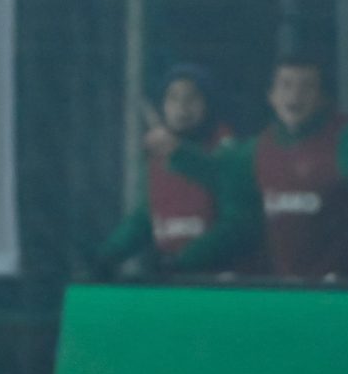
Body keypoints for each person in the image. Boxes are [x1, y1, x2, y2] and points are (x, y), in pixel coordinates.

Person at [171, 54, 348, 279]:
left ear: (323, 99)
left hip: (346, 289)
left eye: (307, 87)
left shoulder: (347, 140)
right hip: (281, 288)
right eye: (286, 85)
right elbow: (221, 175)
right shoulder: (257, 149)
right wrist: (176, 152)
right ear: (271, 96)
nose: (295, 95)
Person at [92, 64, 261, 279]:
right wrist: (108, 255)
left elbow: (238, 227)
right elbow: (146, 217)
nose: (182, 107)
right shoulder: (157, 158)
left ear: (209, 104)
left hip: (225, 284)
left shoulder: (230, 152)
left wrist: (185, 259)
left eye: (192, 98)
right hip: (174, 282)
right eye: (173, 98)